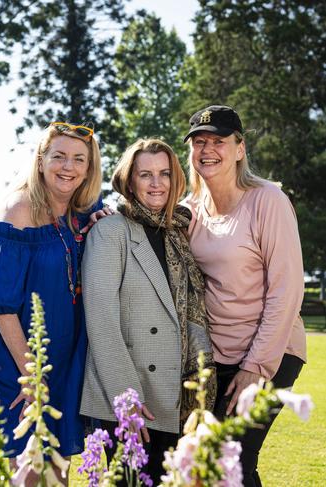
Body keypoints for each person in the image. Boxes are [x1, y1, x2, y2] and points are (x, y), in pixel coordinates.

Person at [0, 122, 109, 484]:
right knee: (29, 471)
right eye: (59, 156)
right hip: (17, 363)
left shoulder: (80, 212)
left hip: (64, 363)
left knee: (59, 472)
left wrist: (99, 220)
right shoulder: (18, 210)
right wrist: (30, 375)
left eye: (80, 159)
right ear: (40, 160)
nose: (69, 167)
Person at [182, 105, 307, 486]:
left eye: (218, 141)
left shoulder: (268, 200)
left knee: (231, 459)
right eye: (199, 142)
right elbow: (145, 217)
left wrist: (257, 367)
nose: (207, 149)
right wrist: (109, 218)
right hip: (215, 357)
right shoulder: (189, 210)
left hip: (271, 351)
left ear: (239, 148)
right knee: (208, 461)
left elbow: (287, 290)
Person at [80, 138, 216, 485]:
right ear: (129, 181)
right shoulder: (110, 232)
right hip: (130, 400)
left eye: (164, 174)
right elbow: (102, 323)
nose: (156, 184)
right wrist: (128, 399)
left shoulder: (179, 234)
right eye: (146, 175)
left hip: (175, 399)